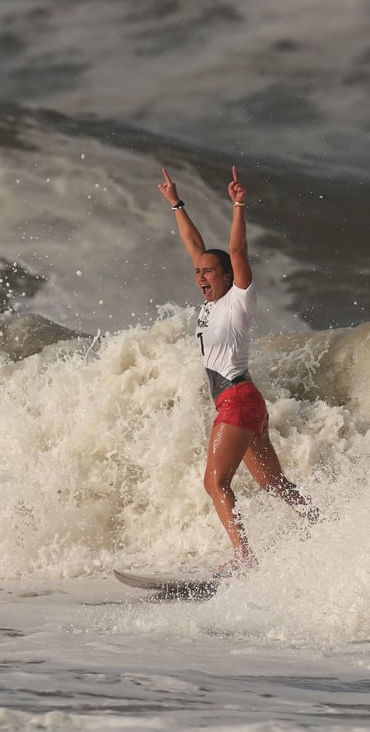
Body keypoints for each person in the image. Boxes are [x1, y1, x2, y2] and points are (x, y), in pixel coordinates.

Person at [158, 166, 318, 577]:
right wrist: (176, 203)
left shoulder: (238, 300)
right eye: (198, 273)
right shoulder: (211, 304)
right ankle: (323, 525)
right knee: (272, 484)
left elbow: (238, 251)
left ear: (228, 277)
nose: (201, 277)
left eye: (209, 272)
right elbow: (195, 246)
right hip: (244, 401)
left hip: (237, 399)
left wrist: (238, 205)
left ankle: (245, 559)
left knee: (215, 483)